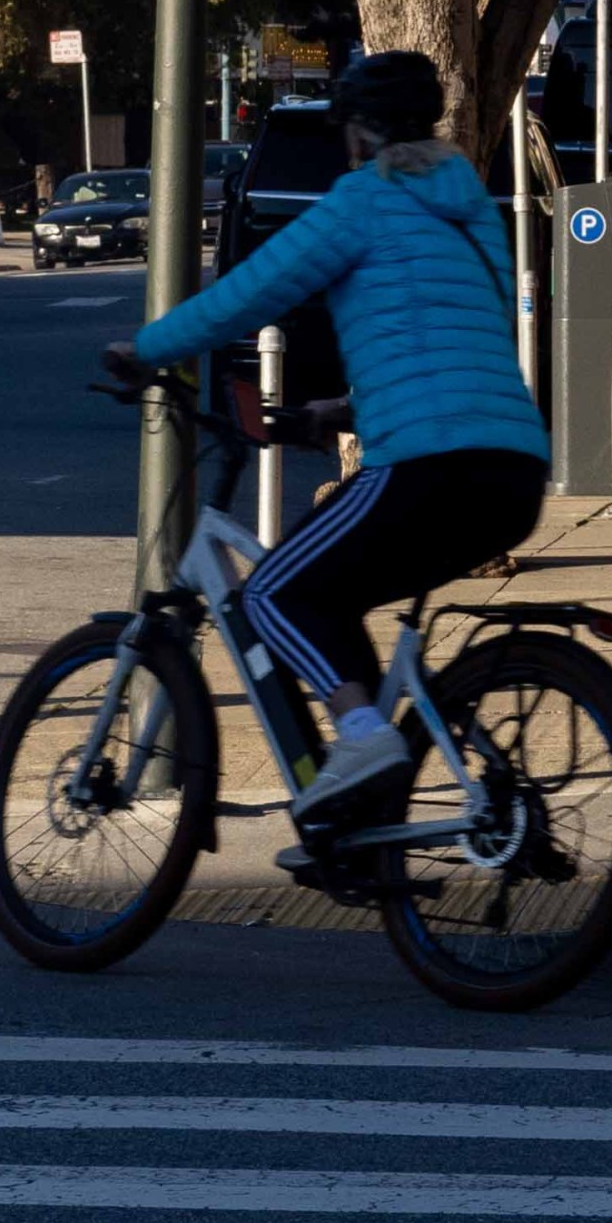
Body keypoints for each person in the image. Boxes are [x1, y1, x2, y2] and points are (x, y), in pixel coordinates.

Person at [119, 46, 545, 830]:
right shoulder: (470, 204)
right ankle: (364, 802)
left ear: (356, 133)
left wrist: (145, 348)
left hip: (429, 465)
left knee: (275, 591)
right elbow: (448, 347)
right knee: (329, 591)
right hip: (513, 470)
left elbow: (250, 291)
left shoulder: (362, 199)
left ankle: (359, 736)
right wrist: (341, 410)